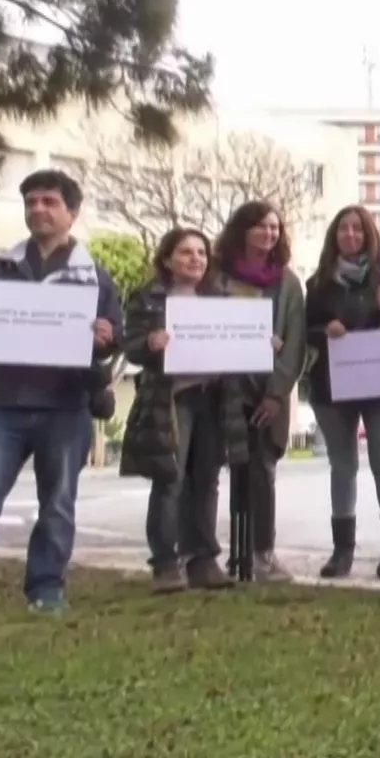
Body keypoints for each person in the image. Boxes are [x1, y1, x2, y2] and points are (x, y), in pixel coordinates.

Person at [0, 170, 123, 626]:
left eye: (49, 202)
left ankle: (47, 588)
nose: (38, 209)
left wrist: (106, 336)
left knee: (58, 502)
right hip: (4, 405)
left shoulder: (94, 277)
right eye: (31, 202)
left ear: (71, 213)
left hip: (66, 406)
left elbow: (115, 338)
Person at [120, 227, 243, 594]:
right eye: (187, 252)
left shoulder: (221, 299)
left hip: (214, 398)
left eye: (202, 253)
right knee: (169, 480)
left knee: (206, 479)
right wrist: (150, 342)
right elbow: (132, 348)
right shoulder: (149, 298)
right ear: (168, 259)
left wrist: (259, 342)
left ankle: (203, 560)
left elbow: (238, 342)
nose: (196, 259)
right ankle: (165, 563)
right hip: (171, 399)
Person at [305, 205, 380, 579]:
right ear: (333, 236)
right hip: (332, 387)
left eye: (357, 229)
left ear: (369, 235)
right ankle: (342, 551)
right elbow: (305, 329)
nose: (350, 235)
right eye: (343, 229)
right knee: (343, 466)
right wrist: (325, 329)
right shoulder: (317, 284)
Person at [210, 200, 307, 584]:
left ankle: (262, 554)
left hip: (266, 392)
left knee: (261, 472)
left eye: (274, 228)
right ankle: (206, 554)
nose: (268, 234)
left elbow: (295, 342)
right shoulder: (216, 277)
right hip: (222, 388)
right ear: (242, 230)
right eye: (260, 227)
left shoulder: (287, 283)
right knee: (212, 471)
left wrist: (277, 393)